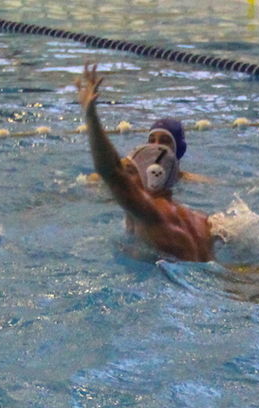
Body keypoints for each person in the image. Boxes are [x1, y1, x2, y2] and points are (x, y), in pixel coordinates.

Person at [76, 63, 214, 262]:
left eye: (131, 171)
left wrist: (91, 116)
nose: (126, 177)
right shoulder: (202, 220)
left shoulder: (149, 212)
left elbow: (111, 171)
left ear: (151, 175)